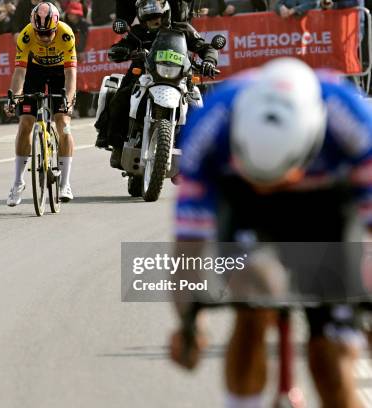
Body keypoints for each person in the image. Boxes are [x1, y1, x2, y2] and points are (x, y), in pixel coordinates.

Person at [170, 58, 372, 408]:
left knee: (333, 357)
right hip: (245, 203)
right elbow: (189, 242)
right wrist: (188, 322)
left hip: (327, 205)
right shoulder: (209, 129)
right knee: (251, 303)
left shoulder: (354, 124)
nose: (273, 188)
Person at [95, 0, 218, 168]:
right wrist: (121, 50)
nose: (153, 22)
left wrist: (209, 61)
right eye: (148, 18)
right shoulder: (137, 32)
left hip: (178, 75)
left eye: (157, 17)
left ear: (165, 15)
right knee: (121, 96)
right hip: (144, 73)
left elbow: (206, 47)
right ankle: (117, 145)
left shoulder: (182, 29)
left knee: (196, 104)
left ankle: (195, 152)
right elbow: (122, 45)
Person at [4, 1, 77, 205]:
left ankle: (65, 183)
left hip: (59, 73)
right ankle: (18, 182)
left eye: (48, 34)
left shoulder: (66, 34)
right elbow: (20, 72)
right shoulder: (26, 35)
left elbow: (71, 73)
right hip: (34, 72)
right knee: (26, 122)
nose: (44, 38)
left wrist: (69, 100)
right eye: (40, 34)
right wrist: (13, 97)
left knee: (63, 124)